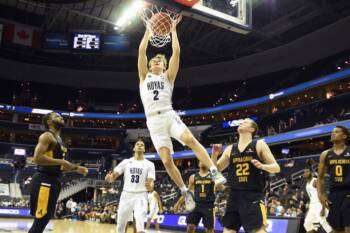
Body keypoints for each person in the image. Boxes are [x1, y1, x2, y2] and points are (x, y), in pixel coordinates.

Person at [138, 14, 225, 207]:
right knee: (167, 161)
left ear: (165, 65)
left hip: (168, 114)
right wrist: (147, 29)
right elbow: (142, 51)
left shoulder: (168, 77)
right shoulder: (144, 77)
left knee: (190, 140)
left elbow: (176, 52)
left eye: (160, 61)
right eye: (154, 62)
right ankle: (185, 191)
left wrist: (173, 30)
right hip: (153, 122)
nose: (156, 63)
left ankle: (214, 171)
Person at [211, 118, 280, 233]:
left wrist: (262, 166)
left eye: (245, 122)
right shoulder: (230, 149)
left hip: (252, 195)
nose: (242, 122)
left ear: (252, 129)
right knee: (228, 230)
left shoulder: (259, 144)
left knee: (258, 230)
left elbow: (276, 167)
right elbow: (215, 170)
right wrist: (214, 155)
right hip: (233, 196)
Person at [28, 112, 88, 233]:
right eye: (56, 116)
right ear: (49, 122)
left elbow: (61, 166)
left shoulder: (60, 140)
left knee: (45, 218)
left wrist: (76, 168)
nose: (60, 117)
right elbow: (37, 158)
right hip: (44, 180)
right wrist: (62, 161)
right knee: (41, 218)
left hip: (54, 180)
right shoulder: (47, 136)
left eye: (60, 116)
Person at [105, 139, 155, 233]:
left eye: (142, 145)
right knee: (120, 225)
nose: (140, 145)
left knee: (140, 225)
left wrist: (149, 186)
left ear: (144, 149)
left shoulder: (150, 164)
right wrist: (109, 178)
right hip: (126, 195)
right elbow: (113, 177)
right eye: (137, 144)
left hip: (141, 195)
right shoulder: (126, 162)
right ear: (134, 148)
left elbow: (151, 183)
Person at [317, 126, 350, 233]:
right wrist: (320, 195)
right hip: (334, 193)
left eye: (336, 132)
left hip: (348, 192)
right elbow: (320, 177)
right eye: (332, 132)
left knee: (348, 226)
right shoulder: (325, 154)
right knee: (336, 228)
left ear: (344, 136)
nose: (333, 133)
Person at [174, 161, 216, 233]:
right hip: (196, 205)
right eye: (200, 160)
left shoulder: (213, 175)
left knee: (209, 230)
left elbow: (222, 185)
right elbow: (188, 193)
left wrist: (219, 185)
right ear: (198, 164)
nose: (202, 162)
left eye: (204, 160)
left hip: (208, 206)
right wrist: (178, 203)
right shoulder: (193, 177)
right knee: (190, 228)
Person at [303, 168, 332, 233]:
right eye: (305, 172)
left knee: (324, 223)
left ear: (311, 173)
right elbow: (312, 197)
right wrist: (309, 208)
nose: (306, 173)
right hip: (312, 205)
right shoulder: (307, 183)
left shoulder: (315, 181)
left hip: (319, 204)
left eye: (307, 171)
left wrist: (323, 208)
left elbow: (322, 193)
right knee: (307, 224)